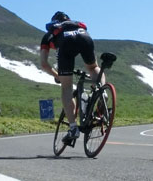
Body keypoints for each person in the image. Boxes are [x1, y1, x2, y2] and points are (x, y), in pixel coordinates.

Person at [39, 11, 104, 144]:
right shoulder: (77, 25)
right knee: (93, 67)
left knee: (67, 87)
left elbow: (44, 64)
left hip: (65, 43)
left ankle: (73, 128)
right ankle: (102, 92)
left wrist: (57, 76)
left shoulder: (49, 34)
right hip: (84, 36)